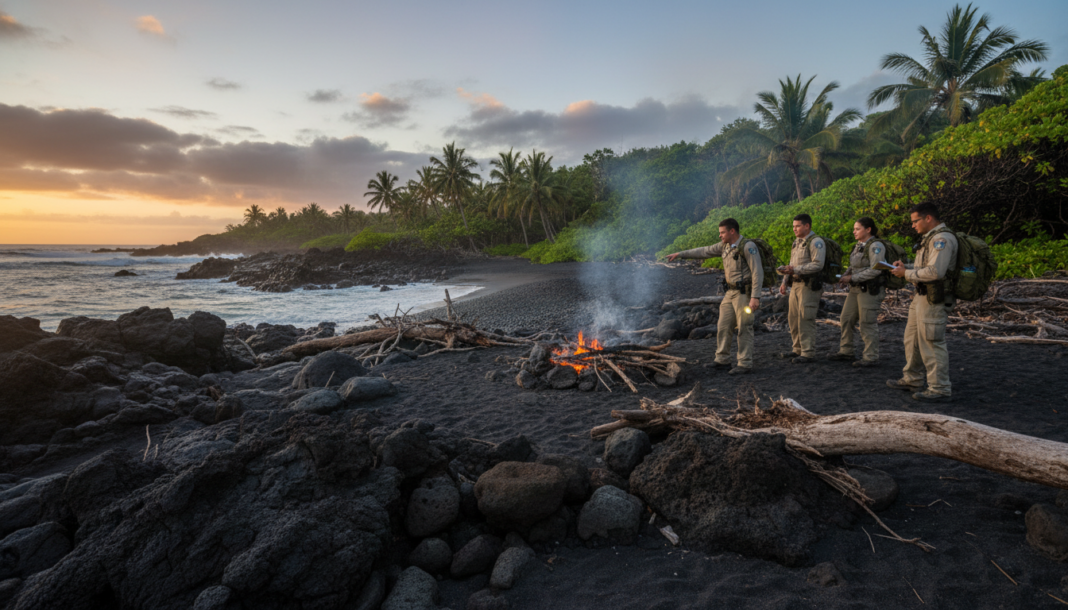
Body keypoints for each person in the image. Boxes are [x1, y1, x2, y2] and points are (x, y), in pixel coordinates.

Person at [666, 218, 763, 374]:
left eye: (722, 232)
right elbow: (704, 251)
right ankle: (722, 360)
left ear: (732, 231)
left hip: (744, 294)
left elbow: (757, 272)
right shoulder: (724, 246)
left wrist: (755, 296)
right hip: (729, 293)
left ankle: (744, 363)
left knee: (744, 327)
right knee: (723, 326)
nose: (720, 236)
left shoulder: (748, 246)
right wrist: (680, 254)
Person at [888, 202, 958, 402]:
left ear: (928, 218)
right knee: (912, 339)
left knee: (931, 342)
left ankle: (939, 388)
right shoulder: (928, 239)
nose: (913, 225)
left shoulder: (941, 239)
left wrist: (906, 273)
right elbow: (925, 267)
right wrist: (906, 266)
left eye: (915, 221)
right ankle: (913, 378)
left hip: (934, 298)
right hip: (920, 296)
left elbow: (935, 272)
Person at [831, 217, 887, 366]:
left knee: (866, 322)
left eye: (857, 229)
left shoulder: (876, 246)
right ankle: (846, 351)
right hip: (856, 288)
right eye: (854, 229)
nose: (854, 231)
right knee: (846, 318)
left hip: (870, 289)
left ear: (868, 229)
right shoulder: (859, 245)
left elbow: (876, 269)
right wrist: (845, 277)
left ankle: (871, 357)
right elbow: (853, 265)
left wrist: (852, 278)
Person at [778, 214, 826, 363]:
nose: (794, 229)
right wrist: (785, 281)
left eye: (797, 226)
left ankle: (807, 352)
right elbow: (791, 263)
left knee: (806, 318)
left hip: (809, 285)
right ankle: (797, 349)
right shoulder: (797, 242)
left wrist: (795, 270)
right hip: (796, 284)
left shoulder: (816, 242)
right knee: (793, 319)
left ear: (807, 226)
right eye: (793, 226)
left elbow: (818, 264)